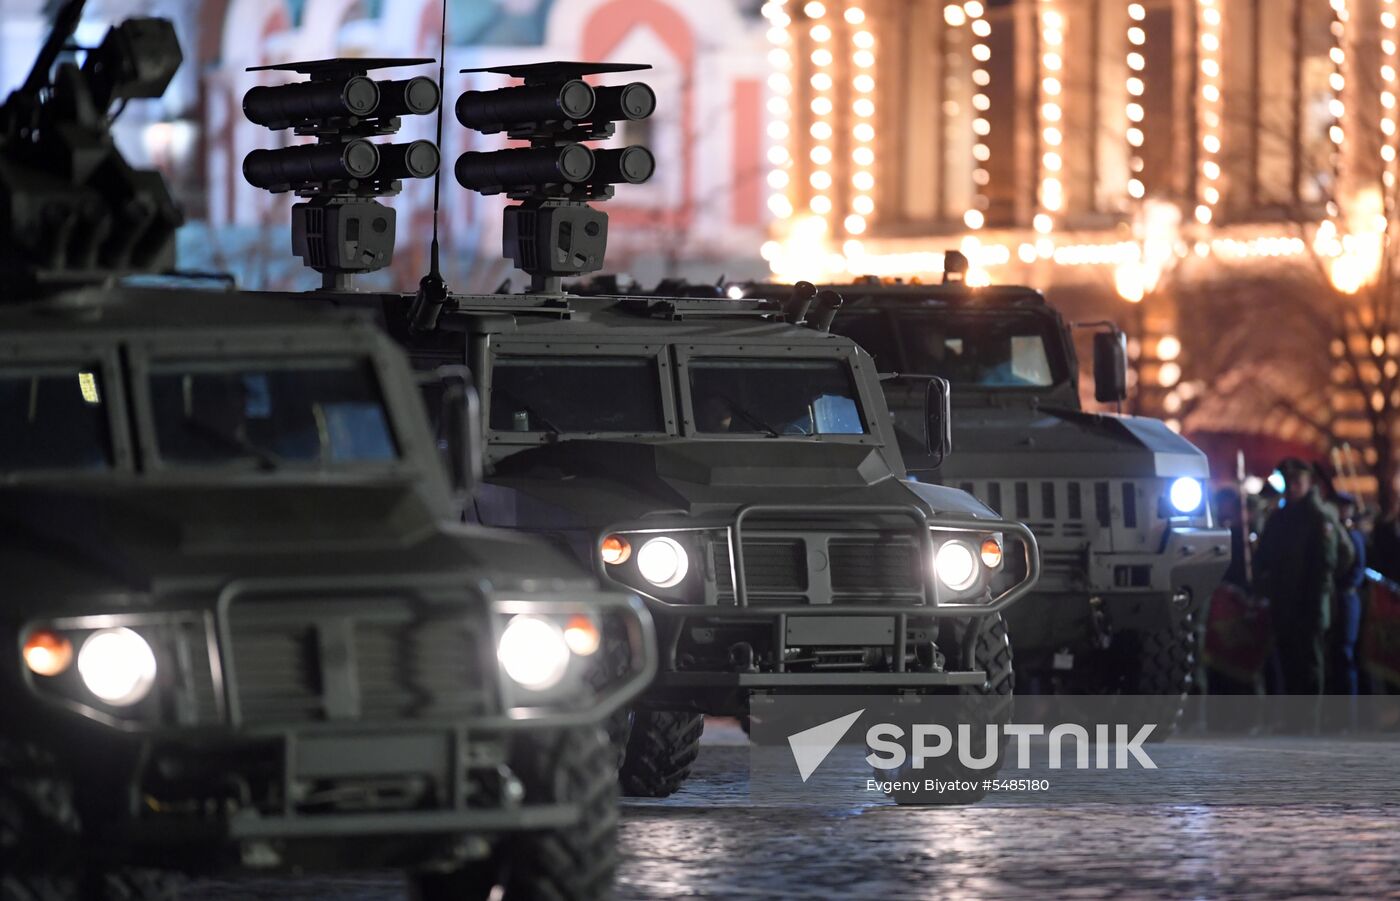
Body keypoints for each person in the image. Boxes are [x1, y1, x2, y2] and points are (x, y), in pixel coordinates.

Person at [1253, 458, 1340, 727]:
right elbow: (1263, 560)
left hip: (1309, 605)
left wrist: (1316, 603)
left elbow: (1327, 565)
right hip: (1284, 604)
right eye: (1287, 483)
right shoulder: (1279, 518)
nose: (1291, 488)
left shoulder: (1318, 518)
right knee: (1288, 662)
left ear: (1307, 482)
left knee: (1309, 665)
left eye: (1296, 482)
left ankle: (1309, 722)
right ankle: (1293, 721)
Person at [1328, 493, 1367, 724]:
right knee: (1336, 655)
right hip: (1336, 598)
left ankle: (1349, 716)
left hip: (1346, 599)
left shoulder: (1353, 536)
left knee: (1345, 653)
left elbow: (1357, 571)